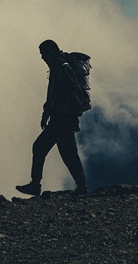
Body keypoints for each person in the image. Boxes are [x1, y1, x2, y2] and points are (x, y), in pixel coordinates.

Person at [16, 39, 87, 196]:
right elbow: (54, 97)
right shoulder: (57, 69)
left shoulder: (62, 69)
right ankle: (80, 187)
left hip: (63, 121)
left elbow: (71, 94)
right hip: (60, 120)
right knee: (63, 153)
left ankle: (37, 185)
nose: (42, 57)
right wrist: (46, 114)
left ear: (51, 52)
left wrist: (65, 115)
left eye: (43, 53)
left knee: (58, 152)